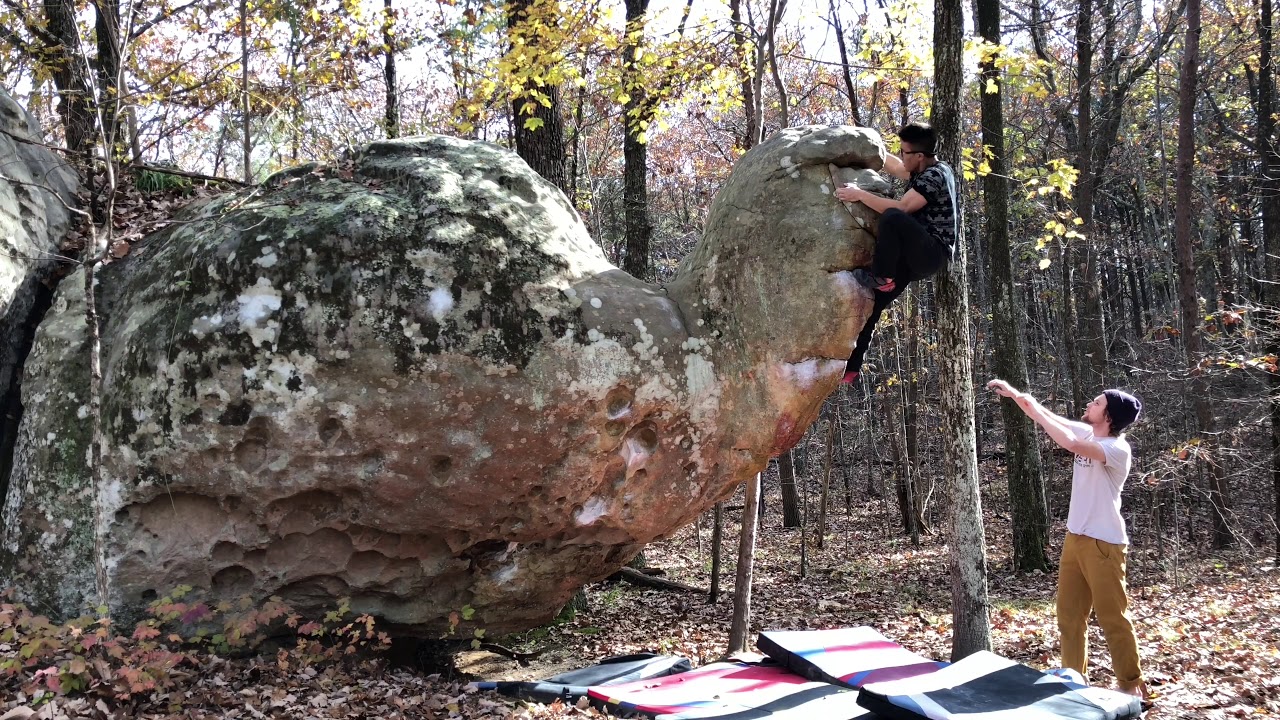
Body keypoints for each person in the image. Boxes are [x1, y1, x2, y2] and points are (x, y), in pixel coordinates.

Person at [986, 379, 1149, 700]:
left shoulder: (1116, 449)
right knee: (1070, 618)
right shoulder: (1091, 432)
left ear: (1110, 417)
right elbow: (1049, 418)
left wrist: (1039, 414)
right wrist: (1019, 397)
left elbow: (1071, 443)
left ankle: (1130, 686)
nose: (1091, 402)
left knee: (1112, 617)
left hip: (1105, 544)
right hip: (1076, 540)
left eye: (1098, 402)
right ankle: (1073, 683)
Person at [834, 122, 958, 384]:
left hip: (931, 252)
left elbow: (902, 208)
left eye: (904, 152)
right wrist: (866, 143)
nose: (901, 156)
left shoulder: (935, 175)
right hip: (914, 254)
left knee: (892, 216)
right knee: (875, 302)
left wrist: (859, 195)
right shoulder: (920, 167)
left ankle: (882, 276)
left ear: (919, 157)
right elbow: (895, 167)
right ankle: (852, 368)